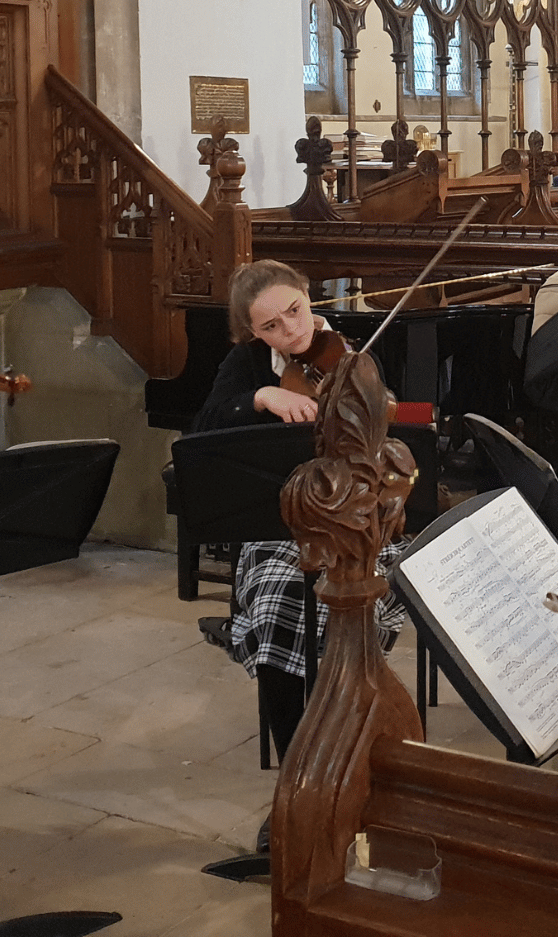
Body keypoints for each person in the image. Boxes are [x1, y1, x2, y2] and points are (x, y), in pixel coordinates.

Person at [190, 260, 410, 825]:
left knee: (353, 611)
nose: (292, 330)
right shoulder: (244, 365)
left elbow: (390, 433)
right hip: (279, 529)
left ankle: (354, 761)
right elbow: (207, 425)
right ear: (252, 334)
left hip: (358, 528)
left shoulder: (353, 356)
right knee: (274, 603)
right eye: (272, 326)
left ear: (309, 299)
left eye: (296, 310)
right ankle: (299, 782)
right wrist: (262, 396)